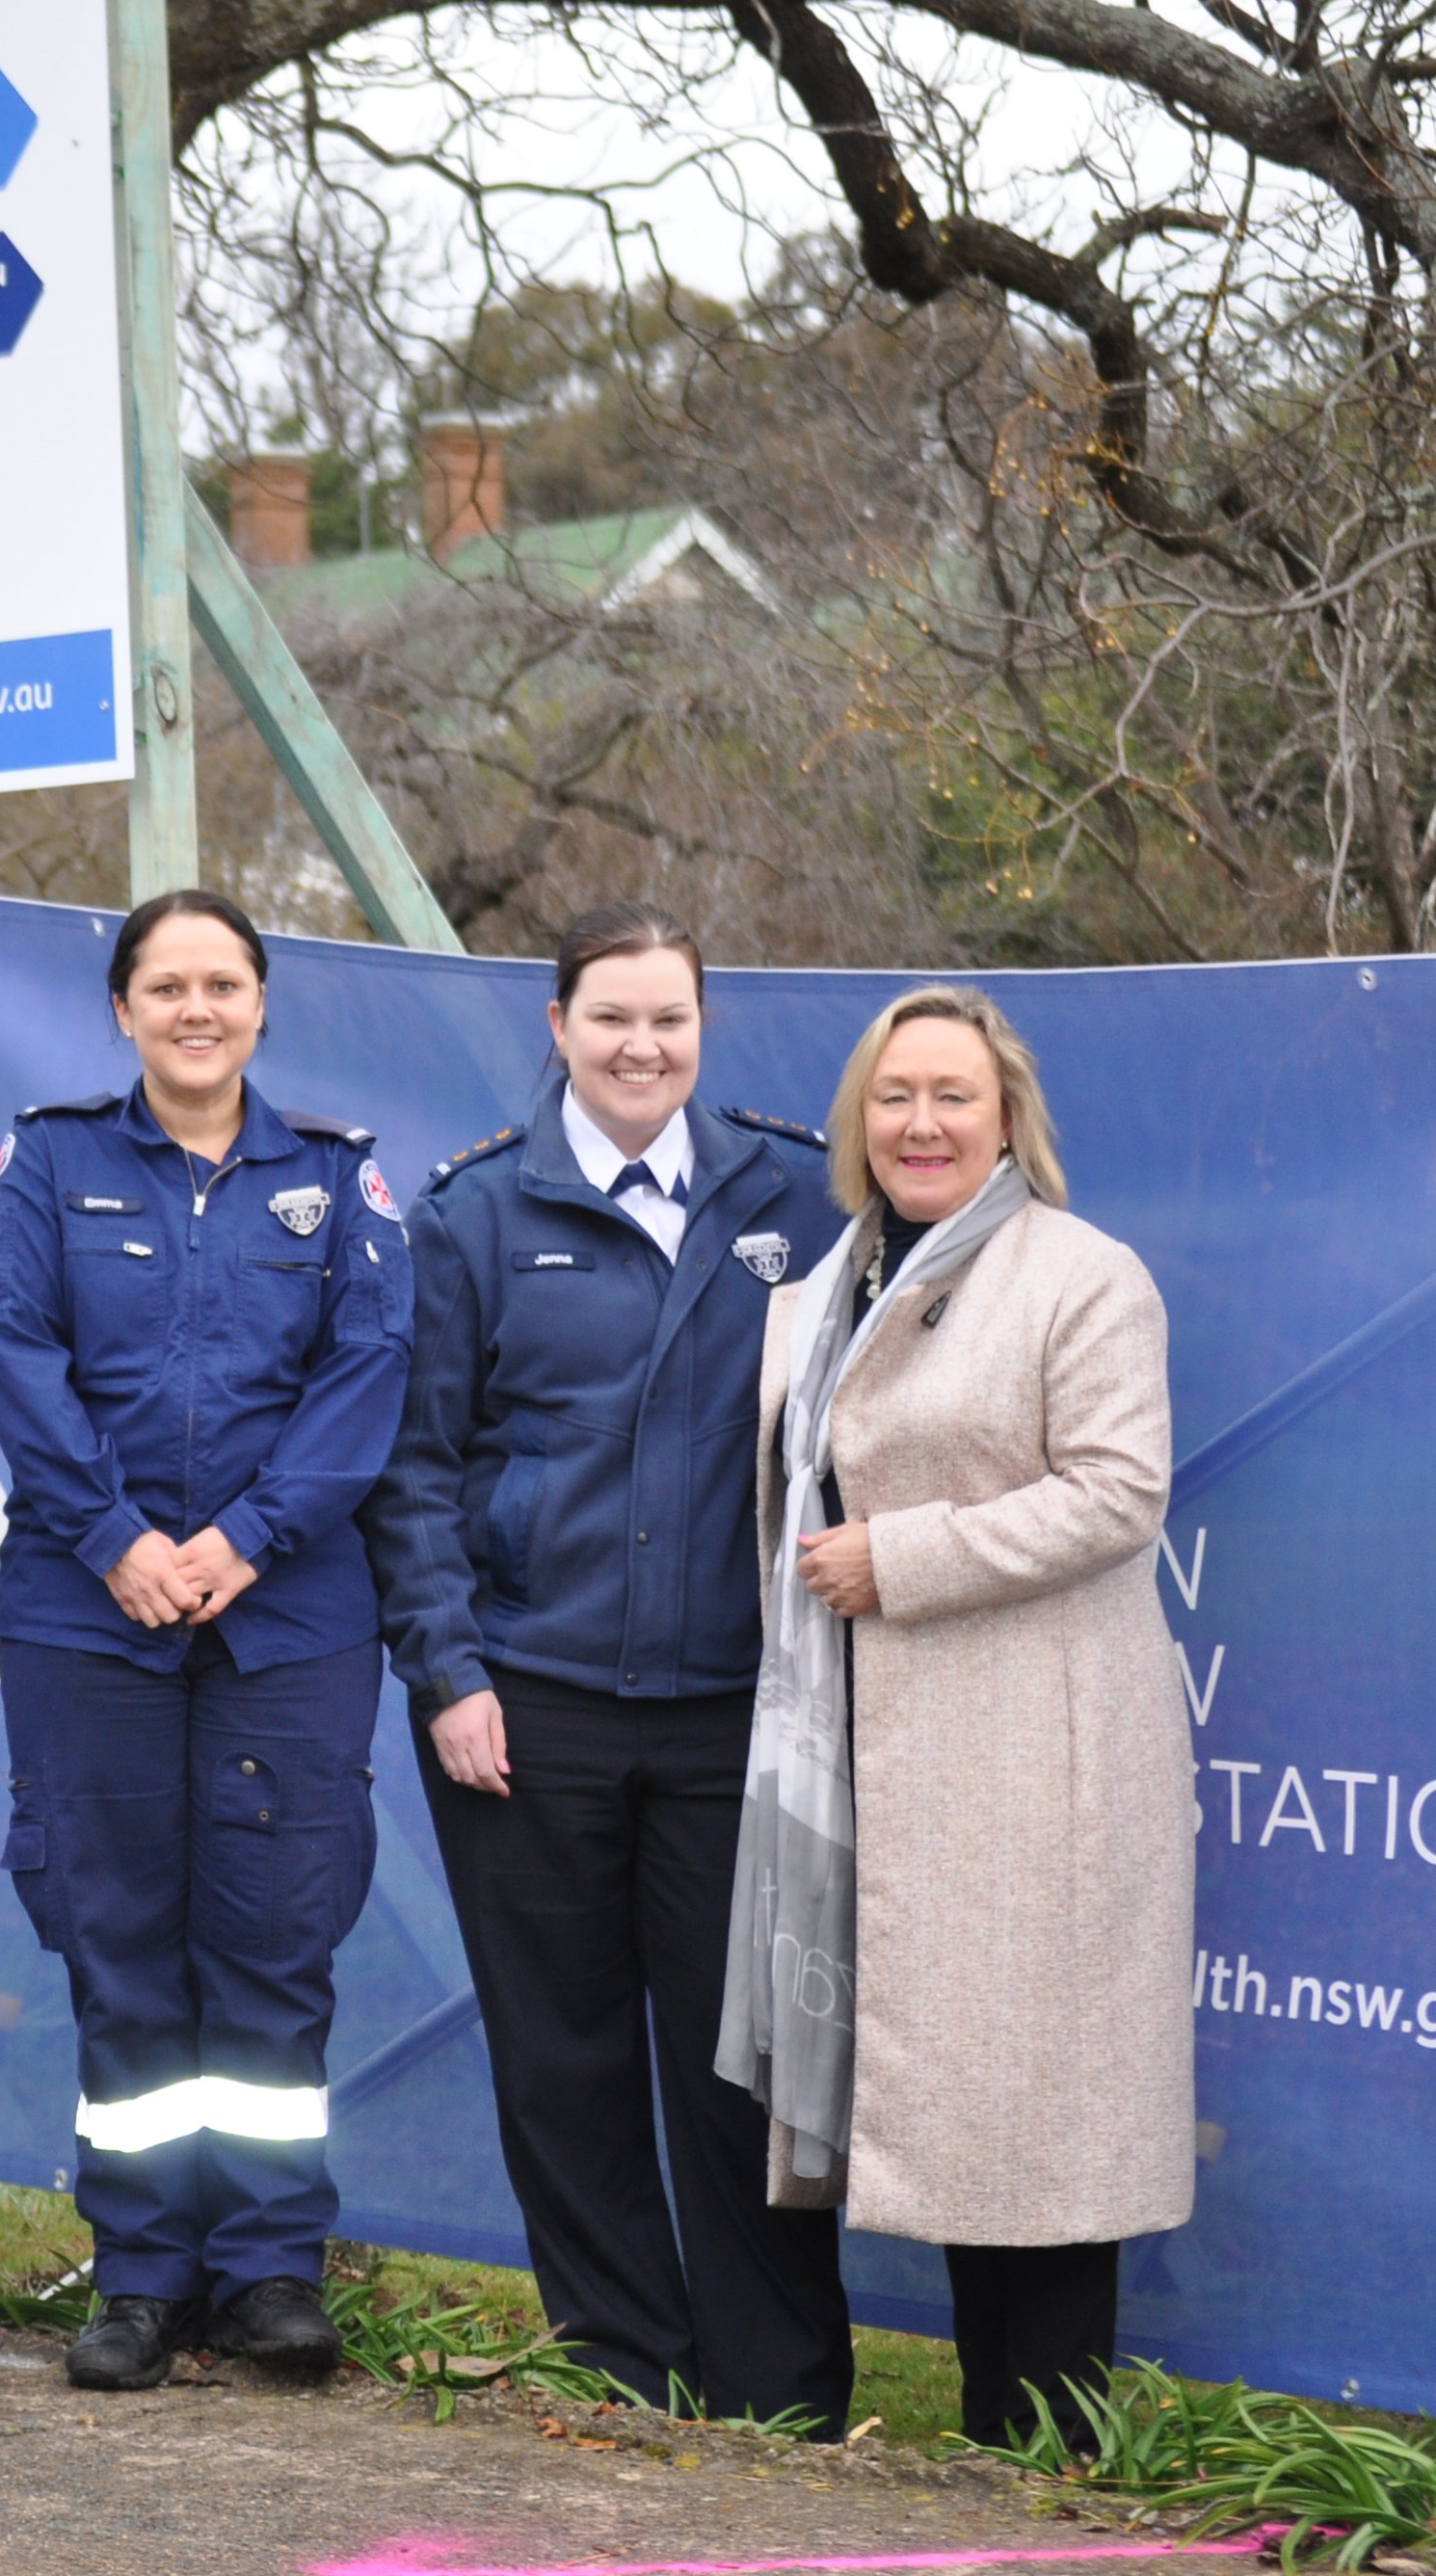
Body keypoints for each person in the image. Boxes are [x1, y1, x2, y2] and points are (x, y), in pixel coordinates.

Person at [367, 900, 856, 2428]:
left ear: (702, 1031)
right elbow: (414, 1474)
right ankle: (622, 2370)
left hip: (733, 1715)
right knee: (562, 2064)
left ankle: (780, 2390)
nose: (642, 1047)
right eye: (612, 1019)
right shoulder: (472, 1218)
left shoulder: (792, 1196)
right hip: (532, 1710)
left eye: (670, 1021)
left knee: (744, 2073)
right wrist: (450, 1677)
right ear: (558, 1027)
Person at [725, 985, 1189, 2450]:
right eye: (893, 1096)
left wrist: (901, 1558)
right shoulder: (832, 1280)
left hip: (1033, 1755)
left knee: (1041, 2116)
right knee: (978, 2105)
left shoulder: (1082, 1275)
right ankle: (997, 2450)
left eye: (952, 1096)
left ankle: (1042, 2452)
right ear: (859, 1122)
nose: (921, 1122)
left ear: (1007, 1121)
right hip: (869, 1747)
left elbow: (1121, 1491)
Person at [0, 891, 415, 2392]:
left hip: (285, 1615)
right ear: (122, 1010)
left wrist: (245, 1538)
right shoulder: (52, 1166)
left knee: (275, 1944)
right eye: (167, 985)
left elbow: (368, 1378)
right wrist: (114, 1539)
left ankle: (273, 2269)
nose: (196, 1009)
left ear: (263, 1005)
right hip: (91, 1612)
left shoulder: (338, 1184)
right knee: (121, 1940)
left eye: (223, 983)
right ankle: (147, 2273)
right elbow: (10, 1348)